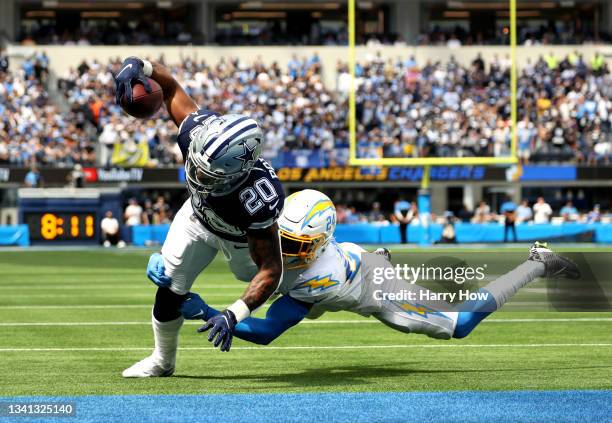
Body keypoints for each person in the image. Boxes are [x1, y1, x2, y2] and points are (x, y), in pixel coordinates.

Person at [165, 190, 579, 347]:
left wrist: (206, 310)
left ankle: (535, 263)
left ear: (317, 242)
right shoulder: (302, 259)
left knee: (459, 324)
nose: (282, 251)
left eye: (295, 245)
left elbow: (270, 320)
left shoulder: (312, 274)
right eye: (282, 241)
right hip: (344, 268)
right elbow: (269, 327)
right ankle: (378, 256)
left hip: (371, 286)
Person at [115, 56, 284, 377]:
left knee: (282, 282)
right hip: (196, 217)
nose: (198, 176)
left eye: (210, 175)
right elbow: (170, 87)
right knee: (170, 288)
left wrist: (234, 314)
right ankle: (162, 361)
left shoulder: (257, 197)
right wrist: (140, 67)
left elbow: (270, 269)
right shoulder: (196, 131)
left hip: (239, 240)